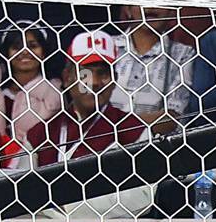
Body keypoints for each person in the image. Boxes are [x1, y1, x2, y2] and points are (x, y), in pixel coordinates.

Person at [24, 31, 148, 167]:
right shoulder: (39, 134)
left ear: (114, 81)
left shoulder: (134, 131)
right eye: (85, 73)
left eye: (103, 73)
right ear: (66, 78)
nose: (94, 82)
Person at [0, 23, 64, 155]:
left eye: (33, 46)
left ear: (44, 53)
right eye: (16, 47)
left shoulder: (55, 94)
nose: (24, 51)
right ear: (6, 53)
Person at [109, 6, 195, 136]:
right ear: (128, 9)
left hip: (152, 149)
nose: (149, 8)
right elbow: (86, 106)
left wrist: (109, 128)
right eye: (142, 1)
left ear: (172, 11)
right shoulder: (105, 46)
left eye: (158, 1)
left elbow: (172, 118)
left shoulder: (182, 54)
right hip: (97, 148)